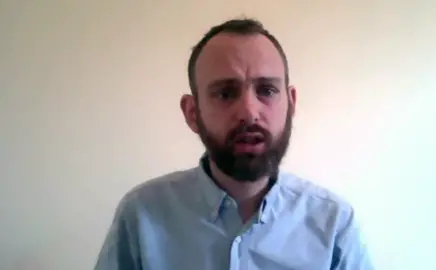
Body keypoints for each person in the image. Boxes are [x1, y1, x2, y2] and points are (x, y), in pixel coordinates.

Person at [94, 18, 373, 270]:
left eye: (266, 90)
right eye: (226, 93)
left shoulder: (333, 223)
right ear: (192, 113)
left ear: (291, 103)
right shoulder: (141, 216)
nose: (249, 112)